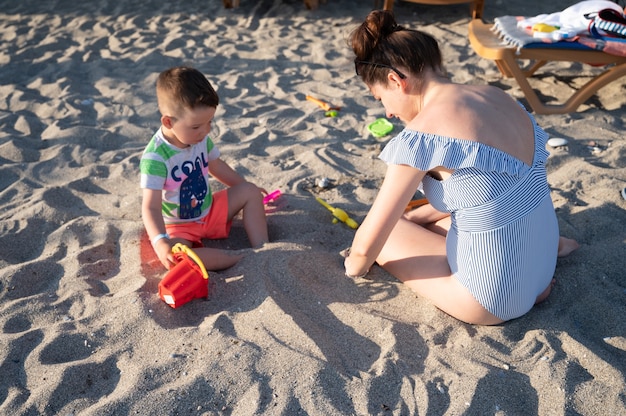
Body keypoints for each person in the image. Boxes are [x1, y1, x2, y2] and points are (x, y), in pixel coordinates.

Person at [344, 10, 579, 325]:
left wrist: (352, 265)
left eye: (380, 98)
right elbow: (485, 194)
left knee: (383, 231)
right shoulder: (499, 98)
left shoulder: (422, 136)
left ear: (395, 81)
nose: (387, 112)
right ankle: (545, 261)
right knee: (427, 220)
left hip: (491, 300)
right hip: (541, 269)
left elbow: (364, 252)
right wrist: (414, 216)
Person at [140, 66, 268, 271]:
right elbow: (150, 207)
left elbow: (216, 165)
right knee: (176, 257)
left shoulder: (199, 138)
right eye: (196, 126)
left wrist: (243, 187)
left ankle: (263, 249)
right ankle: (238, 258)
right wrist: (160, 241)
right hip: (179, 226)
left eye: (209, 122)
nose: (205, 131)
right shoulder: (155, 157)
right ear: (168, 121)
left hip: (210, 211)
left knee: (251, 191)